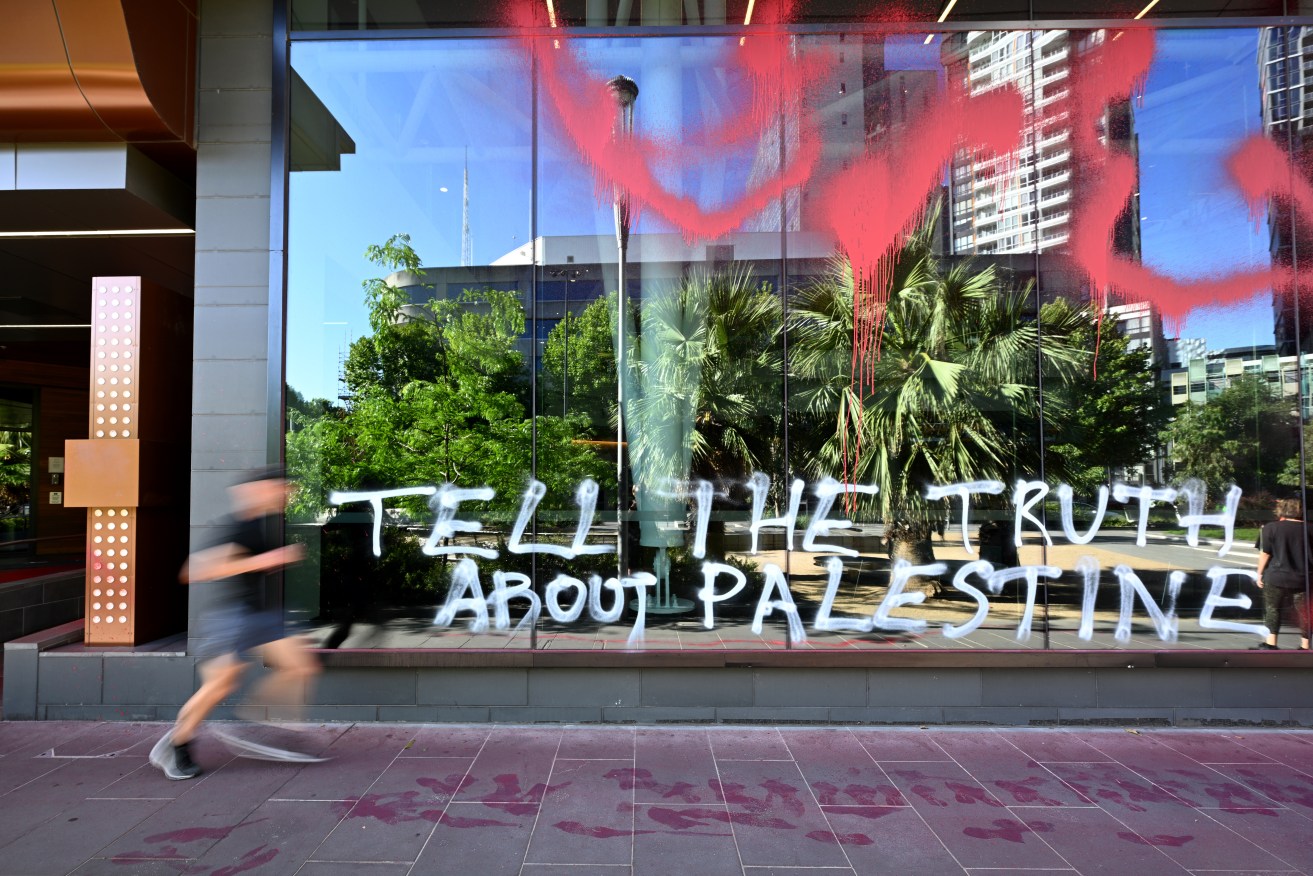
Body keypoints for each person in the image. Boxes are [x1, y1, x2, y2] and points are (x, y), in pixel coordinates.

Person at [149, 466, 322, 780]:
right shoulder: (238, 527)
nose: (287, 494)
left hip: (261, 616)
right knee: (220, 685)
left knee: (301, 665)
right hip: (231, 618)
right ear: (259, 491)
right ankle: (177, 745)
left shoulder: (261, 524)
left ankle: (257, 720)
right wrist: (265, 561)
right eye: (281, 489)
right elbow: (192, 571)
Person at [1252, 497, 1313, 651]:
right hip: (1304, 579)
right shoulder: (1310, 529)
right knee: (1305, 612)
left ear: (1282, 511)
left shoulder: (1270, 528)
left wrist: (1259, 573)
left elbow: (1265, 553)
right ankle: (1305, 646)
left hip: (1276, 576)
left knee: (1273, 609)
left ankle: (1271, 643)